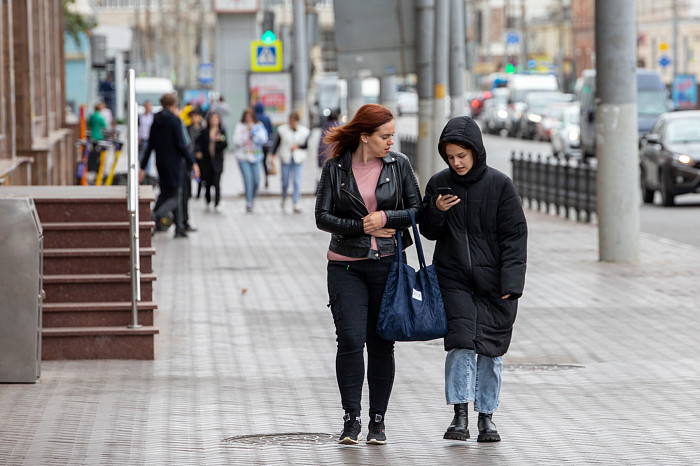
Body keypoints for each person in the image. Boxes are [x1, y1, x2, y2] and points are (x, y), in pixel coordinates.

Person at [314, 103, 422, 445]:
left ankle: (378, 421)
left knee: (380, 343)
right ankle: (351, 419)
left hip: (388, 265)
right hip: (345, 265)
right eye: (384, 136)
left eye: (392, 135)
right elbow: (322, 217)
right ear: (364, 136)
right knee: (349, 339)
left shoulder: (399, 165)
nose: (391, 141)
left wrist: (387, 219)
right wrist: (363, 226)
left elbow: (417, 210)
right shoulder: (336, 168)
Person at [418, 115, 528, 443]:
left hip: (495, 283)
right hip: (453, 280)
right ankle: (459, 415)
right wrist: (435, 210)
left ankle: (487, 417)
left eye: (462, 156)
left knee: (492, 350)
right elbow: (428, 231)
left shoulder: (500, 185)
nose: (456, 163)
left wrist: (511, 283)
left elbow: (515, 236)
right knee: (460, 345)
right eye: (450, 157)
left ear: (476, 152)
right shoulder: (440, 184)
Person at [139, 93, 200, 238]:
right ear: (174, 105)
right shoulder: (175, 121)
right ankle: (155, 215)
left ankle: (179, 228)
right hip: (174, 163)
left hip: (160, 162)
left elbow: (150, 146)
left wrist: (142, 167)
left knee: (166, 192)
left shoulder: (155, 120)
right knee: (175, 195)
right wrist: (193, 163)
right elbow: (181, 145)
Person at [271, 111, 310, 213]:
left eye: (293, 121)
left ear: (297, 121)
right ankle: (284, 198)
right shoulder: (282, 130)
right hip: (286, 158)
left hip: (298, 159)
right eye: (290, 121)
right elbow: (276, 143)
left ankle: (296, 203)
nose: (291, 123)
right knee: (285, 181)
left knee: (297, 182)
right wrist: (272, 156)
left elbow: (306, 145)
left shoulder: (304, 131)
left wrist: (297, 146)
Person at [232, 108, 268, 213]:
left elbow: (263, 140)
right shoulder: (240, 127)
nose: (248, 119)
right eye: (246, 117)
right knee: (248, 180)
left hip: (256, 157)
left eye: (250, 117)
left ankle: (252, 198)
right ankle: (248, 202)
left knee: (256, 180)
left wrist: (253, 132)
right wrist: (246, 133)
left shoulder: (258, 126)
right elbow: (236, 141)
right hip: (243, 157)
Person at [195, 112, 228, 210]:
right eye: (212, 119)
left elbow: (225, 144)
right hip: (206, 160)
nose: (214, 121)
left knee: (217, 181)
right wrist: (198, 151)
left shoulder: (221, 131)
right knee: (208, 181)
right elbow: (198, 142)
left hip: (217, 160)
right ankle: (208, 198)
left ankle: (217, 201)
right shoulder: (204, 131)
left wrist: (219, 141)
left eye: (216, 119)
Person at [254, 102, 274, 188]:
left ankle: (257, 179)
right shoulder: (267, 118)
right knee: (264, 162)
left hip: (256, 144)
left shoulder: (255, 118)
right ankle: (266, 178)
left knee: (257, 162)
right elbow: (271, 130)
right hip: (266, 144)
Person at [138, 100, 156, 182]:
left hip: (150, 139)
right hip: (143, 139)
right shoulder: (140, 117)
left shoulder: (153, 117)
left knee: (149, 157)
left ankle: (147, 175)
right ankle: (142, 172)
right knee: (142, 156)